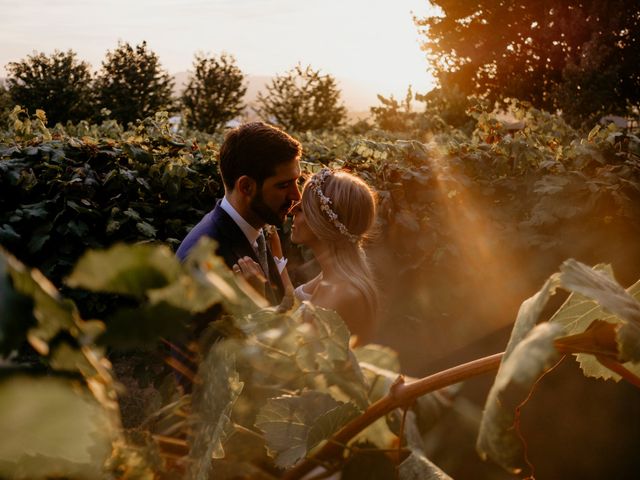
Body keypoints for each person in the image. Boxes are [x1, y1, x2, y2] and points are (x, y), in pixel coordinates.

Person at [176, 121, 302, 306]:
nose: (296, 195)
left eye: (297, 181)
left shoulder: (255, 227)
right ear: (246, 187)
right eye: (283, 185)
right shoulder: (204, 263)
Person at [289, 168, 378, 346]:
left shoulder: (343, 294)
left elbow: (298, 363)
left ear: (319, 220)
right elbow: (295, 303)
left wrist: (253, 291)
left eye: (301, 209)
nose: (291, 211)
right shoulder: (330, 276)